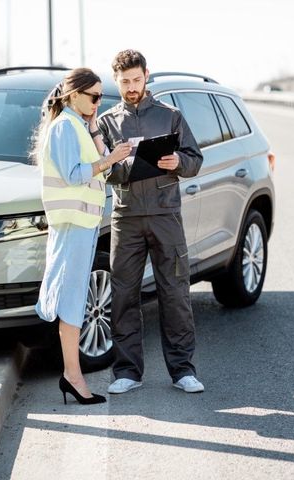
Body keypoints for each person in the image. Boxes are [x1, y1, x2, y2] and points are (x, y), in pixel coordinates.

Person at [94, 50, 205, 394]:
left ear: (146, 76)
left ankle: (183, 371)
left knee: (174, 293)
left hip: (165, 216)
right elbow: (103, 170)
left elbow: (194, 159)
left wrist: (177, 163)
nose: (131, 87)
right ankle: (127, 372)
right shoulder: (108, 122)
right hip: (125, 218)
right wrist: (123, 164)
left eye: (136, 80)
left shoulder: (170, 116)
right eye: (125, 82)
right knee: (124, 295)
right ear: (117, 81)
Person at [33, 68, 132, 405]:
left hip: (83, 224)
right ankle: (73, 376)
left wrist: (94, 131)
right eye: (93, 96)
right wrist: (110, 159)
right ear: (73, 95)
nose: (98, 103)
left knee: (74, 296)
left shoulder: (78, 125)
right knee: (72, 298)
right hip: (73, 225)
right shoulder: (63, 128)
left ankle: (72, 375)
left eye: (102, 97)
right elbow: (74, 175)